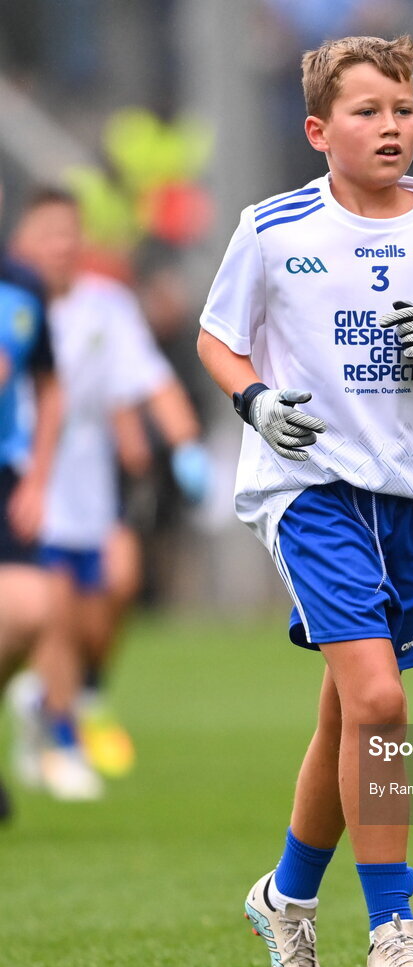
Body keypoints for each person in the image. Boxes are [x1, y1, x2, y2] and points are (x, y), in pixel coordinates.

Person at [197, 34, 413, 967]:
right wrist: (255, 403)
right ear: (317, 129)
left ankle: (285, 899)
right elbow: (219, 339)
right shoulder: (272, 227)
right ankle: (394, 930)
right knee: (379, 701)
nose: (390, 127)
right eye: (368, 111)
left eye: (403, 110)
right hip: (309, 487)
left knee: (351, 707)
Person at [8, 187, 209, 799]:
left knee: (118, 584)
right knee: (56, 607)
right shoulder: (16, 306)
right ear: (22, 243)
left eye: (70, 233)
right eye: (48, 234)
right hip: (26, 477)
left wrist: (186, 446)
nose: (61, 246)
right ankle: (60, 738)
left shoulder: (107, 305)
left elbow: (149, 379)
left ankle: (73, 692)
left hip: (93, 477)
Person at [0, 181, 62, 819]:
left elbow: (49, 387)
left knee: (27, 609)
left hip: (5, 475)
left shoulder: (22, 286)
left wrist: (38, 479)